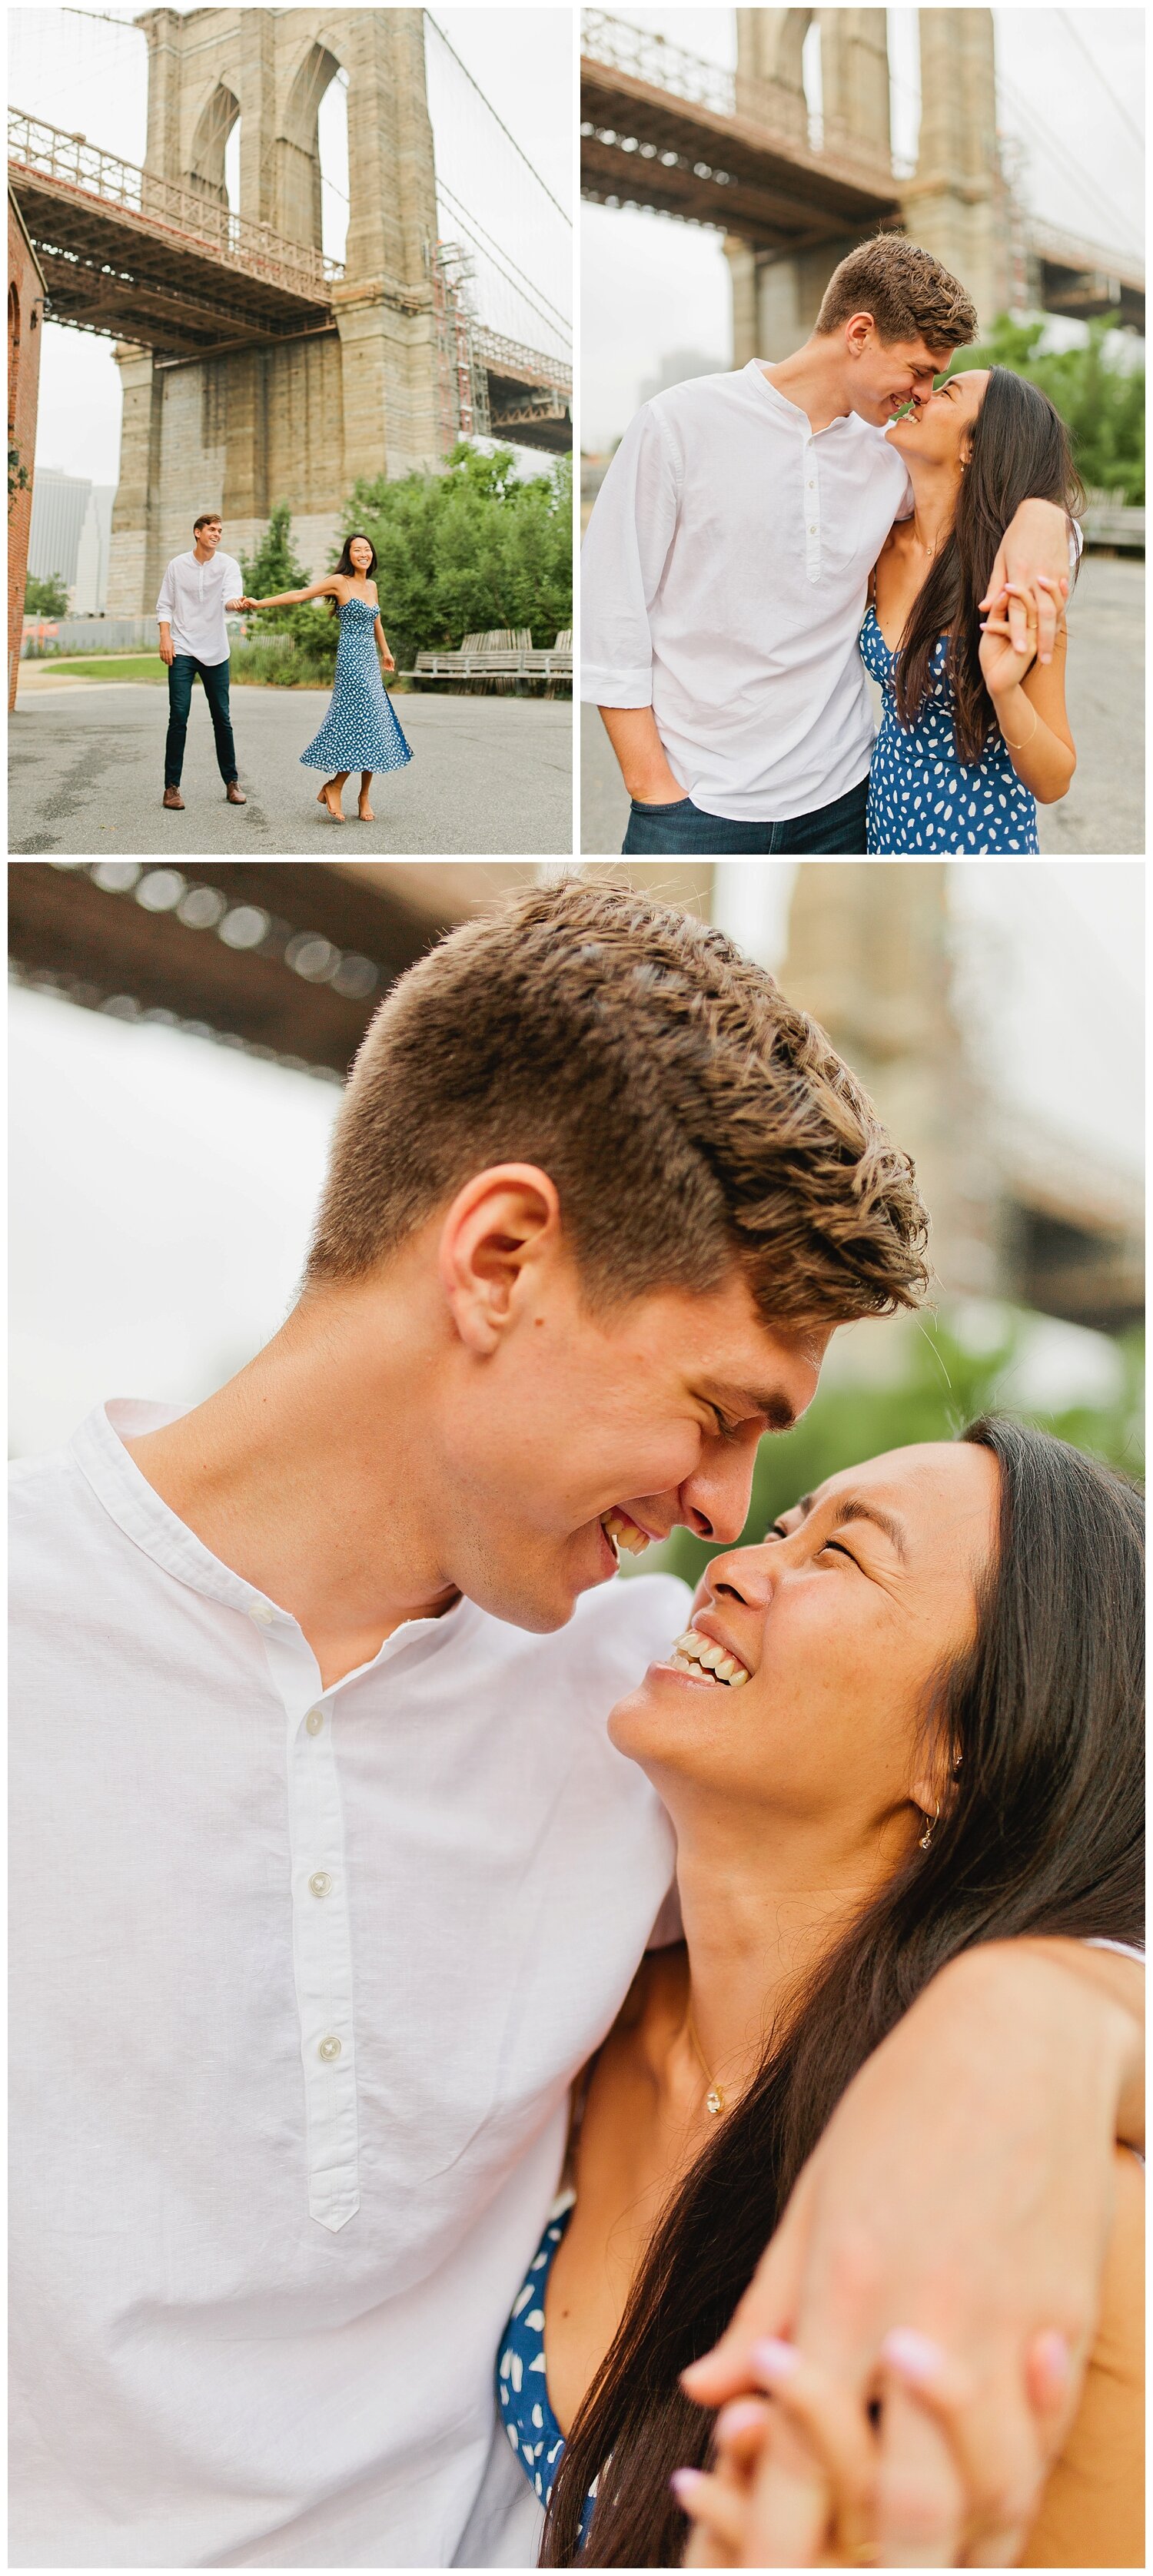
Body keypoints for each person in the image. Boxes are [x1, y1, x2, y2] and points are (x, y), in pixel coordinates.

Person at [10, 883, 1143, 2571]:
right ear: (500, 1259)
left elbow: (1003, 1847)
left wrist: (1023, 2025)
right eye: (717, 1411)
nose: (717, 1510)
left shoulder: (636, 1707)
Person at [495, 1423, 1143, 2568]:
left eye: (842, 1558)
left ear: (965, 1753)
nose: (738, 1560)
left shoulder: (1040, 2205)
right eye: (791, 1524)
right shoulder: (575, 2024)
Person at [582, 236, 1075, 857]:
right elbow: (610, 612)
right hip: (695, 806)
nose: (923, 393)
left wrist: (1044, 515)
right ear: (860, 333)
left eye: (938, 382)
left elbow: (990, 498)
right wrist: (653, 785)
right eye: (921, 370)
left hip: (845, 803)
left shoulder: (890, 451)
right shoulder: (678, 425)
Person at [863, 366, 1079, 851]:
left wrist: (1004, 692)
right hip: (882, 828)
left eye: (946, 392)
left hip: (980, 839)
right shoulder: (876, 548)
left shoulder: (1013, 579)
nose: (920, 395)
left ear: (974, 447)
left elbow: (1054, 782)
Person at [241, 530, 411, 823]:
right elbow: (300, 595)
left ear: (372, 555)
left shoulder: (372, 585)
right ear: (349, 555)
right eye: (357, 549)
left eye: (367, 549)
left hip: (370, 660)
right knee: (362, 722)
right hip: (350, 662)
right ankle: (336, 786)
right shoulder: (338, 582)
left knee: (372, 723)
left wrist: (386, 651)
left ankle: (362, 795)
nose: (363, 554)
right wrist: (259, 603)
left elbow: (376, 620)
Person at [156, 511, 248, 811]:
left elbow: (231, 597)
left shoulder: (228, 565)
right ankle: (172, 788)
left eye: (220, 530)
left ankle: (232, 783)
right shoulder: (177, 565)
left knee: (222, 719)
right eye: (212, 529)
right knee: (178, 718)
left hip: (216, 651)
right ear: (197, 532)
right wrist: (165, 638)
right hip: (182, 649)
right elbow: (165, 606)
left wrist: (236, 603)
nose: (217, 534)